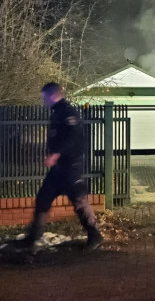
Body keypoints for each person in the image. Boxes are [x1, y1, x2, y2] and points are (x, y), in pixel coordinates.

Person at [18, 82, 102, 254]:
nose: (43, 101)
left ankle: (95, 235)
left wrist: (56, 154)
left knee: (79, 200)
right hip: (58, 169)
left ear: (51, 95)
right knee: (43, 198)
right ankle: (33, 237)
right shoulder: (57, 112)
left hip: (71, 166)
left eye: (44, 98)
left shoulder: (68, 112)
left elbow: (74, 136)